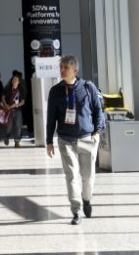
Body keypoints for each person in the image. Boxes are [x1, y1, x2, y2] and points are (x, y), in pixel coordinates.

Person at [46, 55, 105, 225]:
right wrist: (49, 141)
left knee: (87, 176)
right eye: (61, 67)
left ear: (75, 70)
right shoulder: (55, 91)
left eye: (66, 67)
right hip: (65, 140)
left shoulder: (88, 87)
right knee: (71, 176)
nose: (62, 70)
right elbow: (51, 117)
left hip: (87, 138)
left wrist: (97, 132)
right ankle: (76, 210)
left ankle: (86, 199)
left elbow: (98, 111)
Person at [2, 74, 26, 147]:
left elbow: (23, 102)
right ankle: (6, 137)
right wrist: (6, 105)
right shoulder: (7, 89)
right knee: (8, 126)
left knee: (18, 126)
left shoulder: (21, 90)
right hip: (9, 110)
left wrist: (15, 105)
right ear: (12, 81)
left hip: (17, 110)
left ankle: (17, 142)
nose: (15, 81)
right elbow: (3, 97)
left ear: (18, 82)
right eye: (13, 80)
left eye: (16, 80)